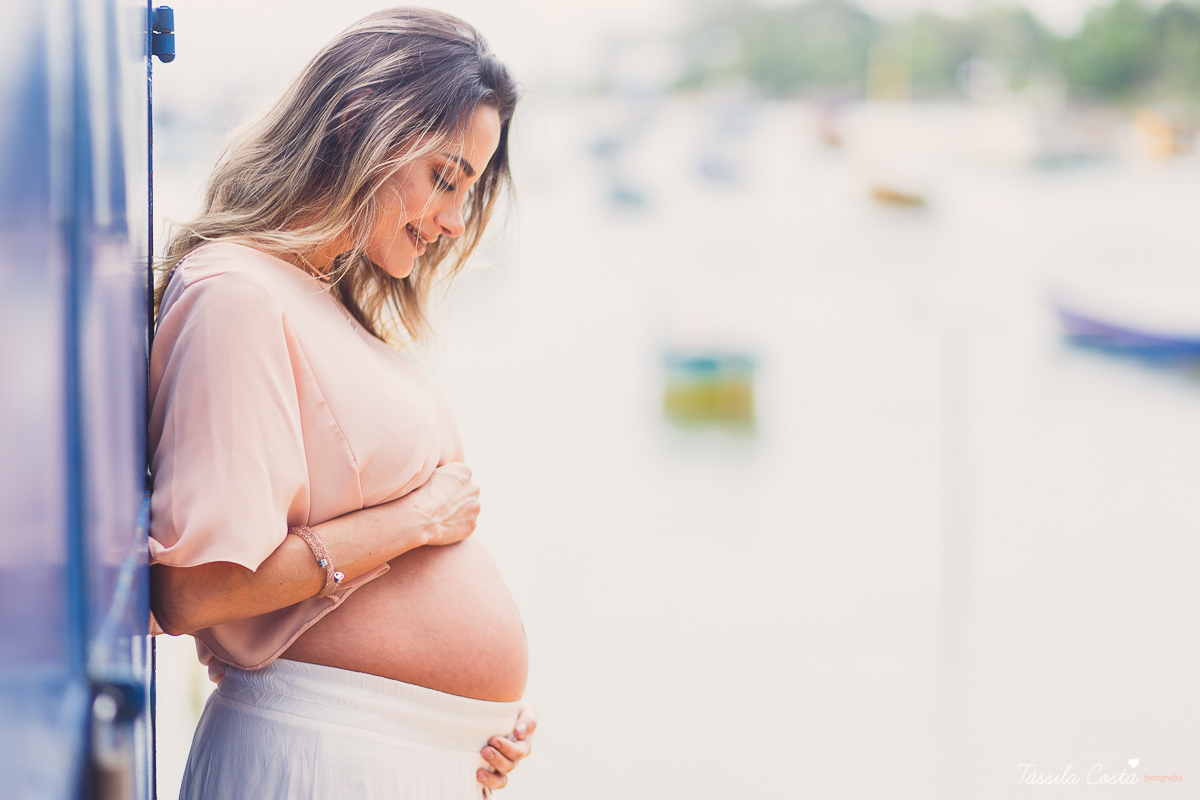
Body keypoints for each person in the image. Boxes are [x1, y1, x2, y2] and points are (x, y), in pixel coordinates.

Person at [147, 9, 533, 798]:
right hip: (314, 758)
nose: (457, 221)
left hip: (381, 761)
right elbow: (196, 590)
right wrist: (416, 520)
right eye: (446, 178)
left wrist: (463, 732)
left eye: (472, 189)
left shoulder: (317, 295)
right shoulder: (236, 295)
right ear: (360, 124)